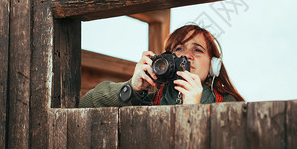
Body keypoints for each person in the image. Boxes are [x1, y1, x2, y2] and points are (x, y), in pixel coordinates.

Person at [79, 24, 244, 108]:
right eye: (179, 48)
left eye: (197, 50)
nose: (187, 55)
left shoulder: (229, 104)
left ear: (213, 66)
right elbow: (85, 105)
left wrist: (193, 109)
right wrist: (132, 89)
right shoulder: (150, 101)